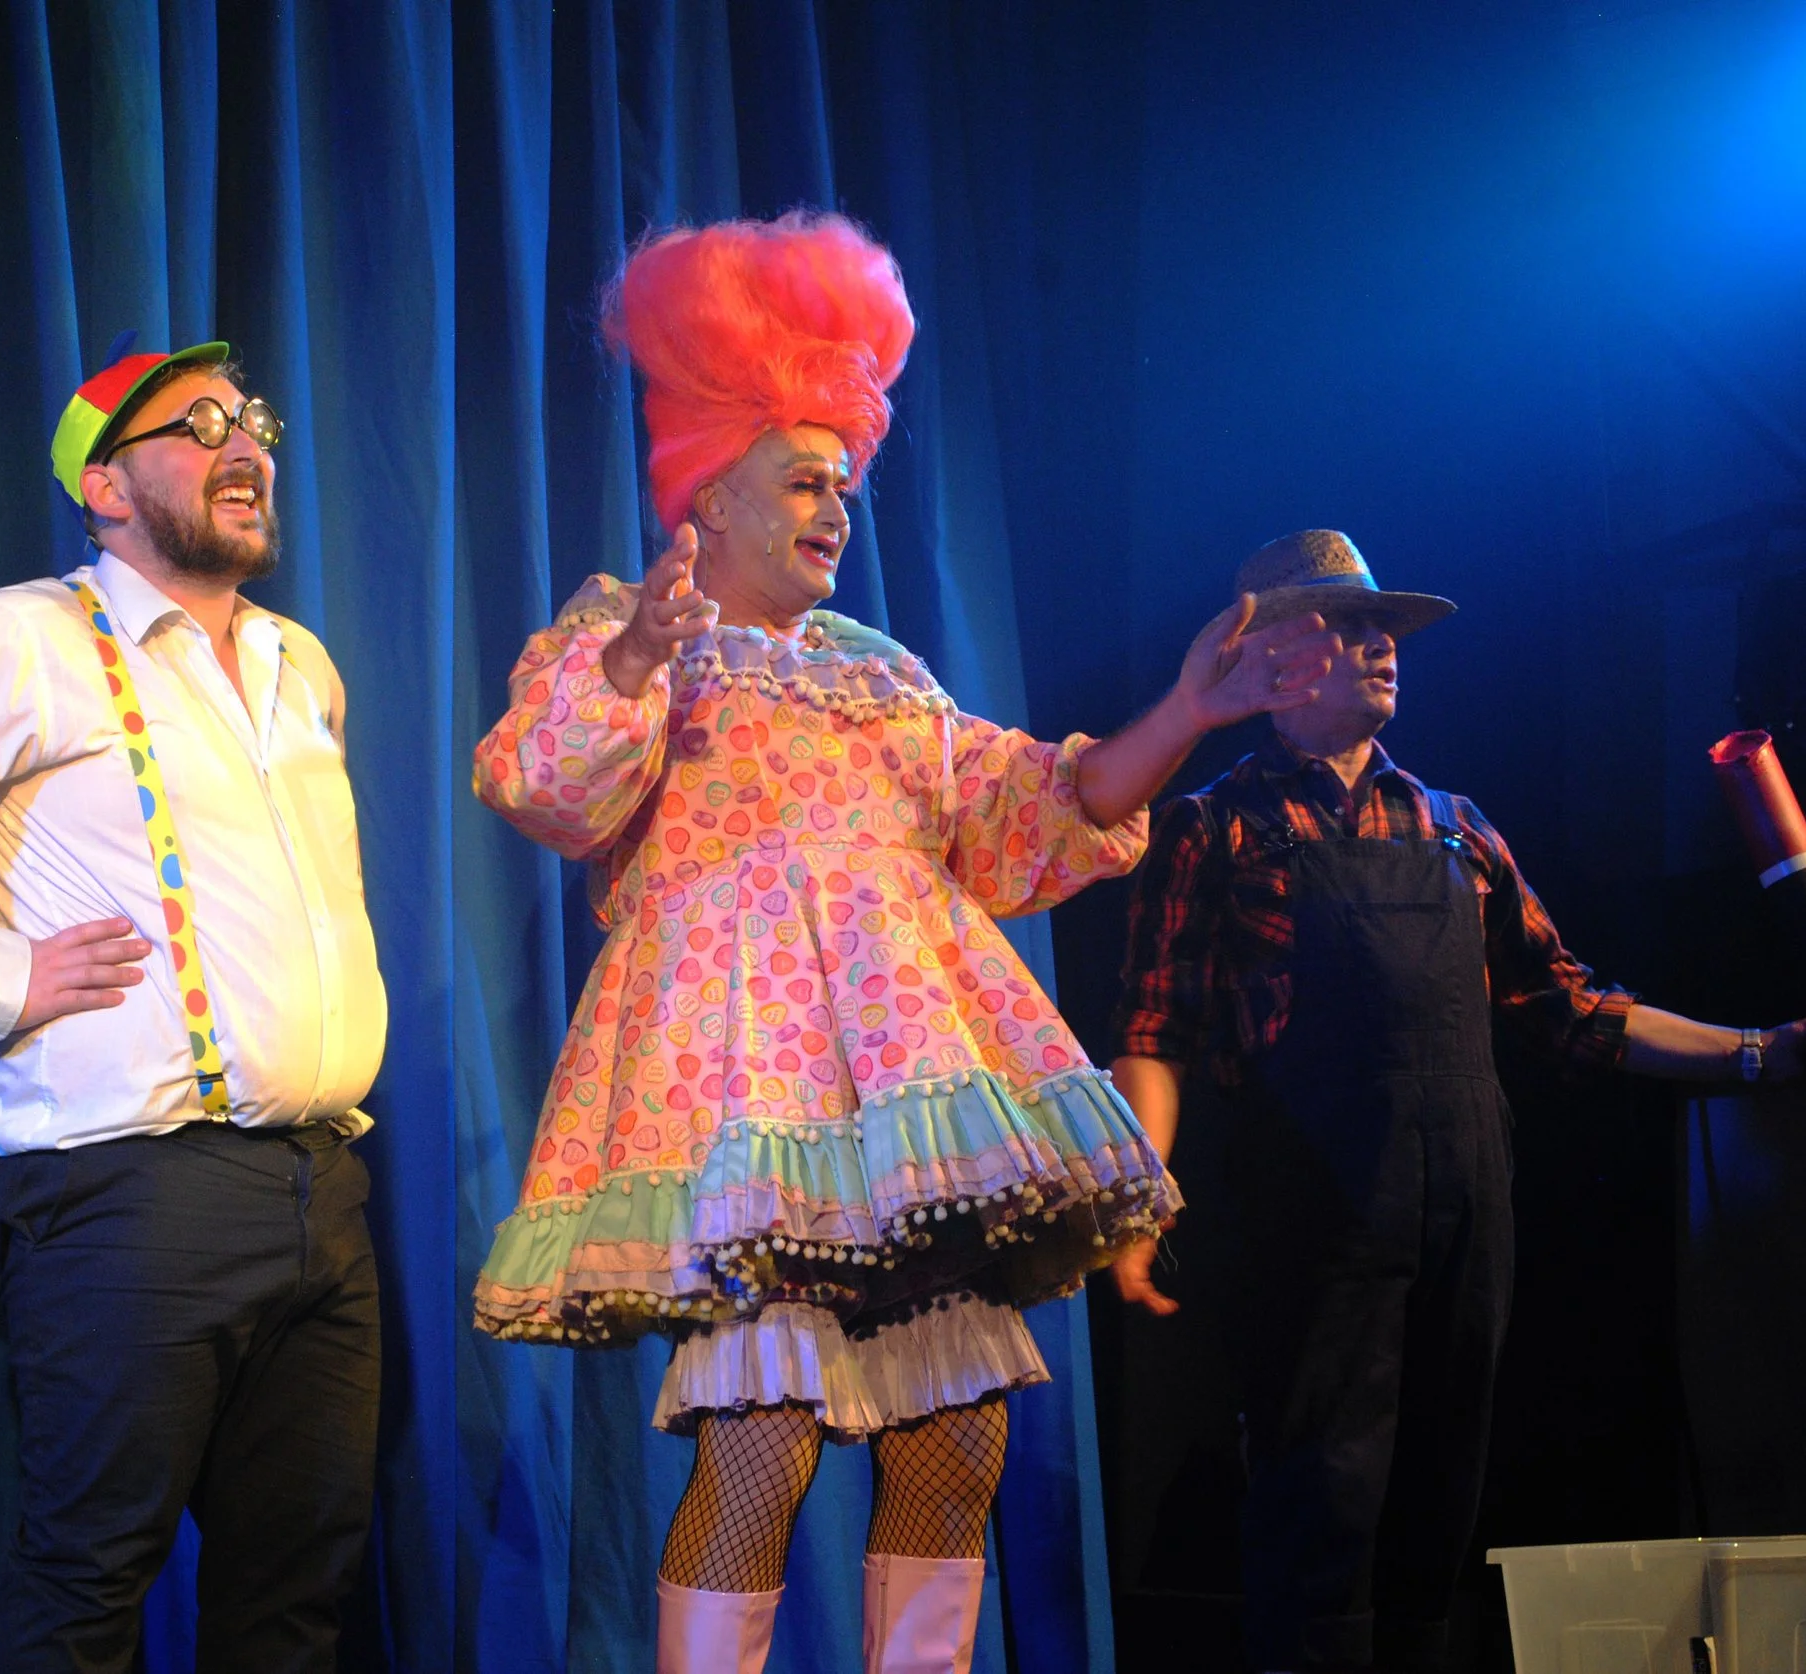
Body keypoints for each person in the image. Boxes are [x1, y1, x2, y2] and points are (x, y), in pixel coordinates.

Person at [470, 213, 1338, 1674]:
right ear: (709, 502)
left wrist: (1190, 711)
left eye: (848, 484)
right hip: (751, 1095)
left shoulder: (884, 672)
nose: (835, 509)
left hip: (913, 1096)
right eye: (802, 480)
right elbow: (543, 786)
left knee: (956, 1443)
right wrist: (633, 662)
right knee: (764, 1442)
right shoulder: (628, 634)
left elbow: (1025, 813)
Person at [0, 340, 387, 1674]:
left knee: (295, 1589)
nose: (246, 446)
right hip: (129, 1194)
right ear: (104, 486)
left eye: (256, 421)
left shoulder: (300, 664)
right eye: (201, 425)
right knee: (89, 1579)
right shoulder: (22, 638)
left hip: (323, 1187)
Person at [1107, 529, 1806, 1674]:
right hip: (1310, 1218)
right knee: (1320, 1505)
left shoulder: (1455, 826)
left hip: (1462, 1211)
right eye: (1348, 627)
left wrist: (1757, 1052)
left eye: (1384, 629)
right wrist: (1134, 1196)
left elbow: (1573, 1008)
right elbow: (1154, 1029)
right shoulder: (1214, 828)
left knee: (1438, 1503)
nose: (1382, 648)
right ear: (1272, 657)